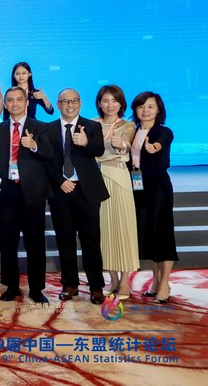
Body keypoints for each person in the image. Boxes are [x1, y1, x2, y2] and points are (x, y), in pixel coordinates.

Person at [46, 89, 109, 304]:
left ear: (80, 103)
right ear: (58, 104)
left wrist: (85, 142)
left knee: (91, 241)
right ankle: (70, 284)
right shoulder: (49, 129)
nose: (69, 105)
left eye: (74, 101)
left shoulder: (91, 126)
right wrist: (59, 181)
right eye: (65, 101)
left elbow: (98, 150)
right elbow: (46, 162)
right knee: (65, 240)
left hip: (86, 191)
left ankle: (96, 287)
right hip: (61, 191)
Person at [0, 88, 53, 304]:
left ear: (26, 102)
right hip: (6, 193)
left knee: (35, 243)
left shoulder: (40, 127)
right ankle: (11, 286)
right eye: (10, 100)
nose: (15, 103)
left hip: (32, 194)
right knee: (7, 242)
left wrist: (34, 145)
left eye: (19, 99)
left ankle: (36, 288)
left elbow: (50, 154)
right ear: (5, 104)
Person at [131, 91, 176, 304]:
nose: (145, 110)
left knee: (163, 235)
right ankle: (156, 281)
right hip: (138, 187)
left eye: (150, 106)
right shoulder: (133, 131)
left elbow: (161, 143)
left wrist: (153, 147)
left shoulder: (164, 131)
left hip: (158, 189)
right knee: (149, 235)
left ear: (158, 110)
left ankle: (165, 283)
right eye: (141, 106)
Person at [94, 85, 139, 300]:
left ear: (121, 103)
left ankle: (125, 281)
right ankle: (112, 279)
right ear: (99, 103)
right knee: (103, 230)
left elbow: (126, 144)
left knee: (123, 228)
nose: (110, 105)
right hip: (97, 179)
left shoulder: (127, 125)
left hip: (119, 178)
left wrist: (120, 144)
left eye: (114, 101)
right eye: (105, 101)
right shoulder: (92, 124)